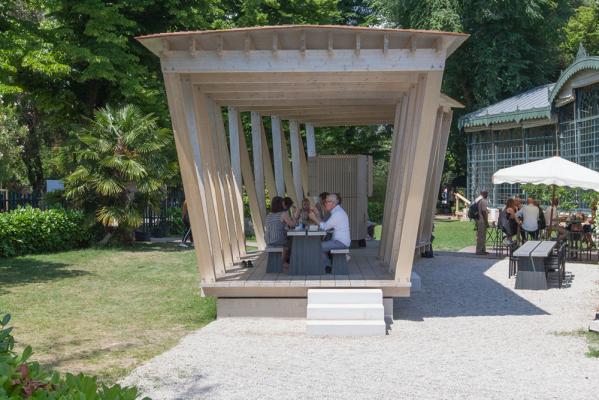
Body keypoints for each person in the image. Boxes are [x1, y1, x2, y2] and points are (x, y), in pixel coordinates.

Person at [309, 193, 350, 273]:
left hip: (340, 243)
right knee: (318, 245)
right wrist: (317, 214)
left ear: (334, 203)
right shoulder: (337, 211)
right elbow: (324, 224)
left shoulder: (337, 214)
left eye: (327, 202)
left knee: (317, 247)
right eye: (325, 202)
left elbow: (324, 227)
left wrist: (314, 218)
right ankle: (326, 265)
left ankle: (327, 267)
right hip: (339, 241)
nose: (325, 204)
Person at [265, 196, 296, 267]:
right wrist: (294, 215)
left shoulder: (269, 215)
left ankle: (284, 260)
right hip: (277, 239)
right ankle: (283, 262)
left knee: (288, 240)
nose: (284, 204)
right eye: (283, 203)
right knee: (292, 241)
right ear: (280, 204)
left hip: (268, 239)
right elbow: (292, 225)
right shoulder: (283, 214)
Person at [475, 190, 489, 255]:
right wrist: (486, 221)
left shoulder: (479, 200)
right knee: (481, 236)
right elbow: (483, 212)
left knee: (483, 236)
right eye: (486, 193)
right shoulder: (483, 201)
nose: (487, 194)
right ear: (483, 194)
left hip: (479, 220)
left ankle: (483, 250)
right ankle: (479, 251)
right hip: (482, 220)